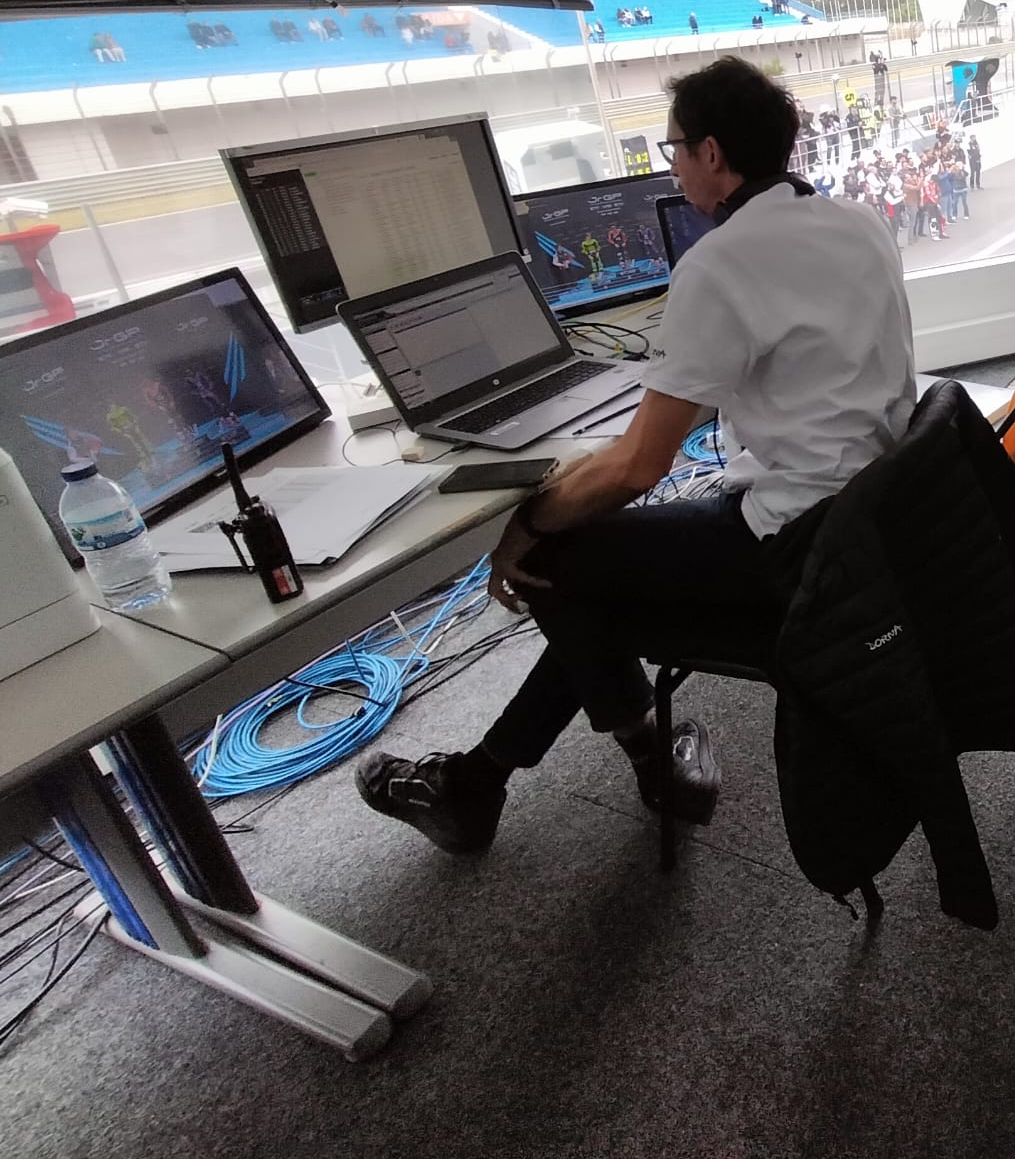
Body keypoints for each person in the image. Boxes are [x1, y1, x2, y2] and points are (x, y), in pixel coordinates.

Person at [354, 58, 915, 853]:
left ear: (712, 153)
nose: (673, 165)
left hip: (793, 543)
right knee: (598, 588)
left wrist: (525, 527)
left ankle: (624, 762)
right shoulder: (859, 220)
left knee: (556, 563)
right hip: (870, 522)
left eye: (674, 149)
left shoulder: (719, 262)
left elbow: (639, 466)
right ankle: (489, 779)